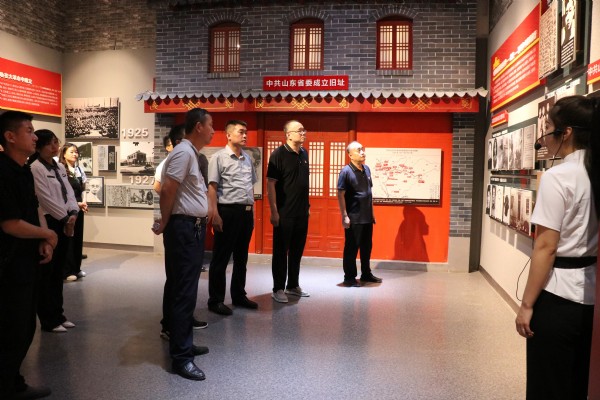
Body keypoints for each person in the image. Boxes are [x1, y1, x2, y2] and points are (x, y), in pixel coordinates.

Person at [515, 95, 599, 399]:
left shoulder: (557, 177)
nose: (545, 136)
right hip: (591, 294)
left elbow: (546, 248)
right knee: (579, 382)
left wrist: (526, 306)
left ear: (567, 132)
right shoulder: (593, 173)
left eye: (548, 127)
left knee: (548, 384)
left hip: (558, 296)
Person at [152, 108, 214, 381]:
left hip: (192, 228)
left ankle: (184, 344)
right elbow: (167, 189)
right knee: (183, 293)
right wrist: (165, 221)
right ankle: (181, 357)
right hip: (183, 229)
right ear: (198, 126)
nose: (213, 130)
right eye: (211, 125)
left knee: (186, 292)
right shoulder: (183, 152)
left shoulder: (191, 153)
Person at [0, 111, 57, 399]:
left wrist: (43, 238)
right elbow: (10, 224)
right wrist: (48, 234)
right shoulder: (2, 172)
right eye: (29, 131)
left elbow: (32, 210)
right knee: (13, 328)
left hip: (25, 260)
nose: (35, 137)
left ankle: (13, 382)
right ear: (10, 137)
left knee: (23, 326)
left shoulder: (23, 170)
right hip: (9, 265)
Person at [29, 130, 80, 334]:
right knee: (47, 274)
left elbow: (68, 191)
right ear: (39, 146)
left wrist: (73, 212)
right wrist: (65, 218)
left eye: (56, 142)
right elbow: (45, 199)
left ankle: (59, 314)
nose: (55, 146)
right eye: (50, 143)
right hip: (50, 222)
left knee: (58, 272)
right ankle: (48, 319)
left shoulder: (58, 166)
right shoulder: (35, 168)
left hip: (66, 219)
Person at [207, 120, 258, 315]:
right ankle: (215, 300)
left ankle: (238, 295)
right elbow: (212, 188)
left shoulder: (247, 159)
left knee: (241, 258)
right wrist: (214, 214)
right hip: (227, 211)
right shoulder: (218, 158)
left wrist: (252, 211)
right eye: (240, 132)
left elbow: (250, 187)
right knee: (221, 258)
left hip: (245, 213)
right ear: (228, 135)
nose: (245, 135)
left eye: (246, 132)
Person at [266, 120, 310, 303]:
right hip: (284, 213)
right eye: (299, 130)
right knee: (280, 252)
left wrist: (307, 208)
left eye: (304, 130)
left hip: (302, 213)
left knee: (297, 252)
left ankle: (292, 285)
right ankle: (278, 288)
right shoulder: (278, 154)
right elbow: (271, 184)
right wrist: (274, 211)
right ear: (288, 134)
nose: (303, 133)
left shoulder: (304, 153)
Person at [337, 141, 382, 287]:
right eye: (359, 150)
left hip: (367, 216)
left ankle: (366, 273)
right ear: (350, 155)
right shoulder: (346, 172)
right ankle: (349, 278)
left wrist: (372, 213)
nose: (362, 152)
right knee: (351, 248)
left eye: (363, 149)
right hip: (354, 217)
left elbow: (369, 193)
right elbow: (340, 195)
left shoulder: (366, 169)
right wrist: (344, 215)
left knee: (366, 247)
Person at [59, 143, 88, 281]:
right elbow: (61, 192)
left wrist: (84, 202)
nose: (75, 154)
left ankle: (77, 268)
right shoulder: (60, 169)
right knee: (68, 239)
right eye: (71, 152)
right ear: (64, 154)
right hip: (67, 208)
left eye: (76, 152)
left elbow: (84, 188)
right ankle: (66, 271)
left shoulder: (79, 169)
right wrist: (76, 204)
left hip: (79, 207)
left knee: (78, 238)